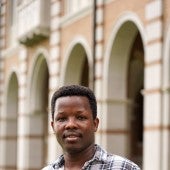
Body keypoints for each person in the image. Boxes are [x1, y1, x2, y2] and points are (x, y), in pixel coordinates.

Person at [42, 85, 141, 170]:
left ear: (95, 124)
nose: (71, 124)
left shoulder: (123, 168)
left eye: (80, 117)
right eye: (62, 119)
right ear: (53, 126)